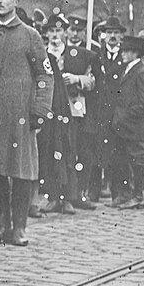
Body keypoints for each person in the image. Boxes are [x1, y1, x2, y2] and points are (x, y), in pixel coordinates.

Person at [0, 0, 52, 248]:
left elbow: (44, 75)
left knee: (21, 171)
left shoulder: (30, 35)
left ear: (16, 2)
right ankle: (1, 226)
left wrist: (40, 110)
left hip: (21, 116)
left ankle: (19, 228)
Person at [38, 15, 97, 213]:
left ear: (65, 32)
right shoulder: (42, 54)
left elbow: (92, 81)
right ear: (46, 34)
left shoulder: (79, 55)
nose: (55, 35)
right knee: (51, 152)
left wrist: (76, 79)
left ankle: (72, 196)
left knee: (72, 151)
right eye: (51, 31)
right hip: (50, 111)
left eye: (58, 31)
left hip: (74, 111)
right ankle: (54, 196)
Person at [108, 35, 144, 209]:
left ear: (136, 53)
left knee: (137, 161)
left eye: (126, 51)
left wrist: (127, 114)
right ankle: (126, 194)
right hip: (125, 127)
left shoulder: (142, 72)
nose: (122, 53)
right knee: (123, 159)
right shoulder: (130, 68)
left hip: (134, 127)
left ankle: (138, 196)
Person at [88, 16, 126, 202]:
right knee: (96, 150)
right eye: (109, 32)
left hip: (117, 112)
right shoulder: (96, 56)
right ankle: (93, 191)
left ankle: (117, 192)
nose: (112, 36)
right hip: (99, 111)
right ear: (103, 35)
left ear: (121, 36)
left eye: (116, 33)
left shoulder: (124, 58)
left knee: (117, 152)